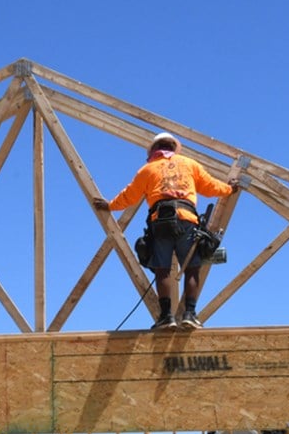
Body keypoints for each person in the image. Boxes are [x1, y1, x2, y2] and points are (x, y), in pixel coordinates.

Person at [93, 132, 236, 330]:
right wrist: (230, 189)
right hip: (187, 220)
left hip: (160, 222)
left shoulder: (147, 169)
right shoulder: (189, 164)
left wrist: (109, 206)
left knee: (162, 270)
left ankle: (166, 316)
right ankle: (190, 314)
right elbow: (210, 186)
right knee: (192, 268)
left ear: (153, 150)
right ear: (174, 148)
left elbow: (129, 196)